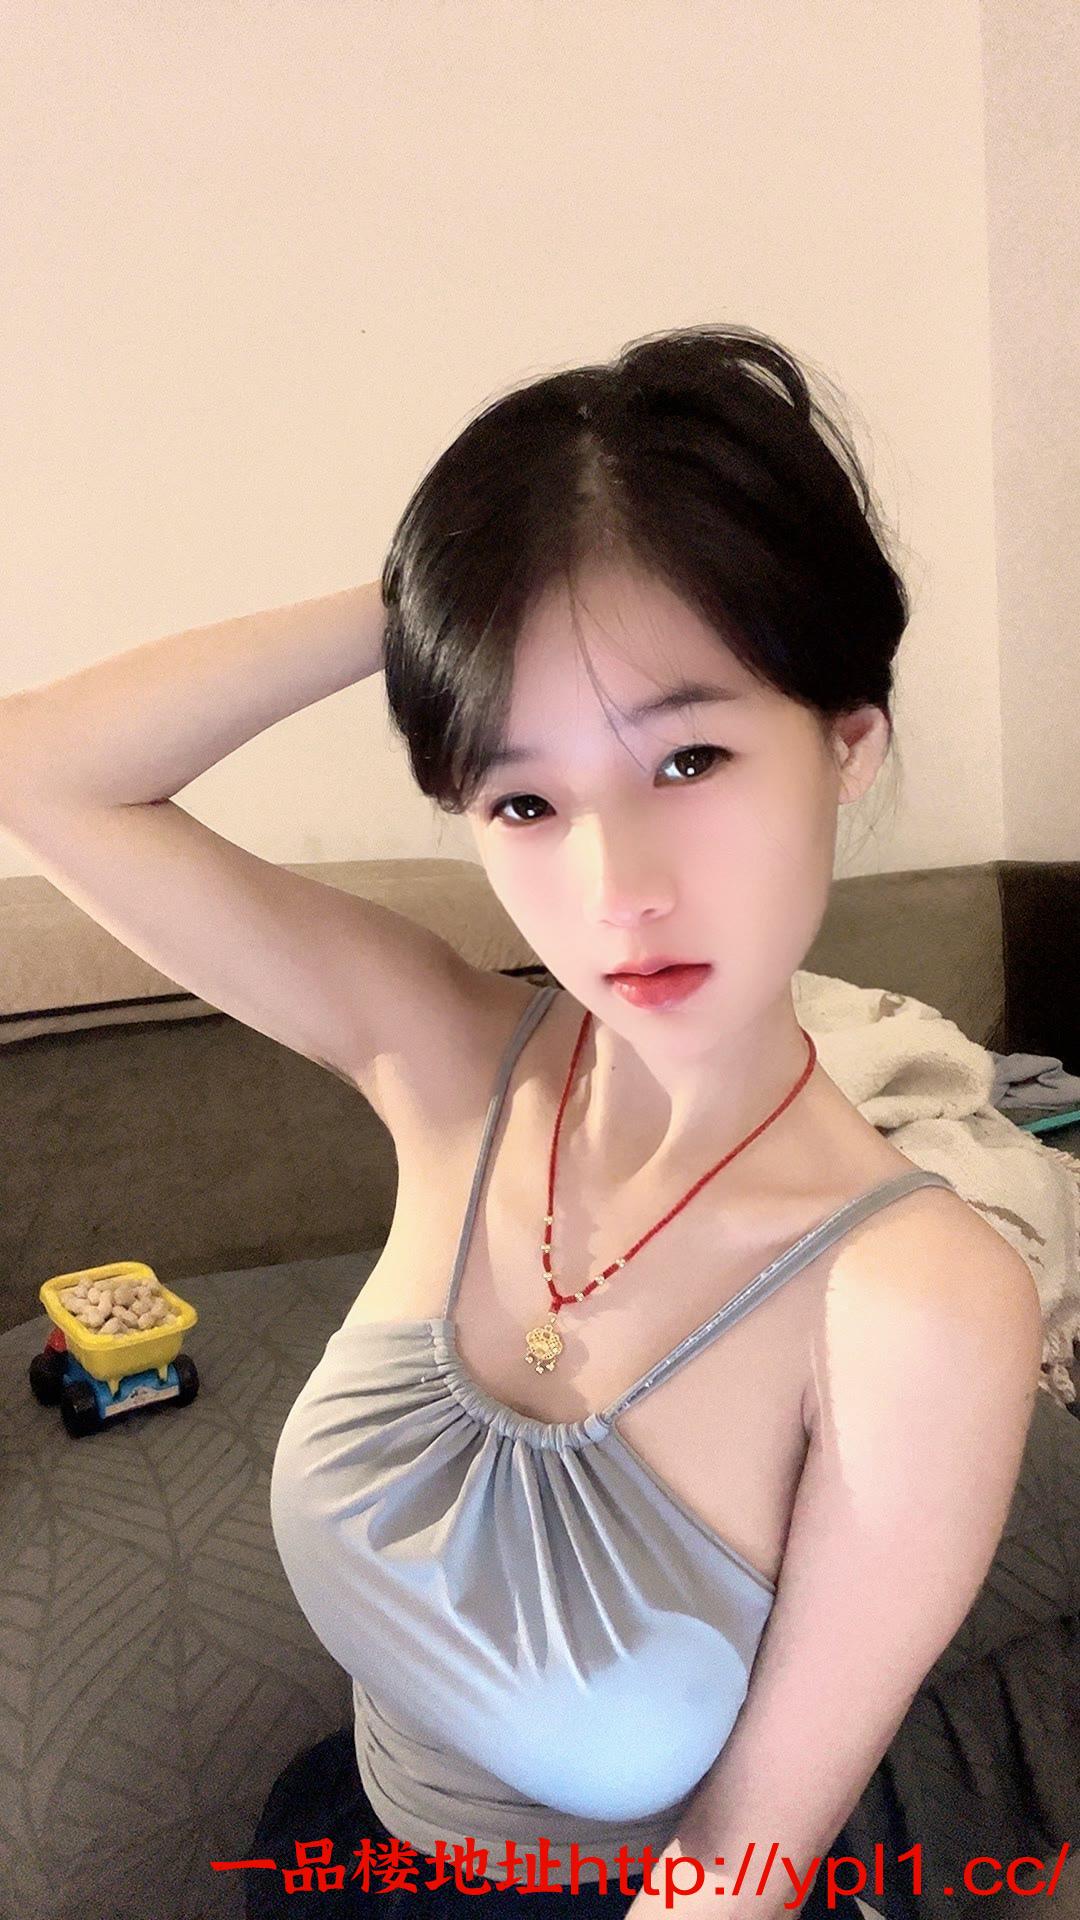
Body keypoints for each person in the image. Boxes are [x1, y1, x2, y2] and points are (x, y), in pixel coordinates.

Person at [0, 324, 1041, 1920]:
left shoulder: (916, 1301)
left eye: (688, 756)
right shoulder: (450, 1062)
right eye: (526, 799)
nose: (617, 890)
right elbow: (44, 770)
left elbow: (742, 1864)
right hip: (340, 1843)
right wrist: (452, 592)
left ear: (848, 746)